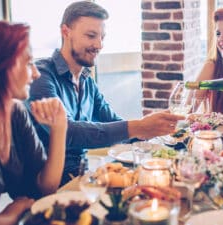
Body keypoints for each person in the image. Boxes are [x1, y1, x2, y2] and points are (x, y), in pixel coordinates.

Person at [26, 1, 184, 185]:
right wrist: (139, 126)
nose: (99, 45)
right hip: (49, 185)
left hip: (82, 176)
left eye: (102, 37)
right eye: (91, 36)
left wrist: (150, 130)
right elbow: (68, 132)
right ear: (66, 32)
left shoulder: (87, 81)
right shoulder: (42, 75)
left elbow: (113, 123)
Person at [0, 21, 67, 225]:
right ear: (1, 65)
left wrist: (59, 127)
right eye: (28, 63)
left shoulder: (14, 112)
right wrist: (15, 210)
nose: (35, 73)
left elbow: (45, 187)